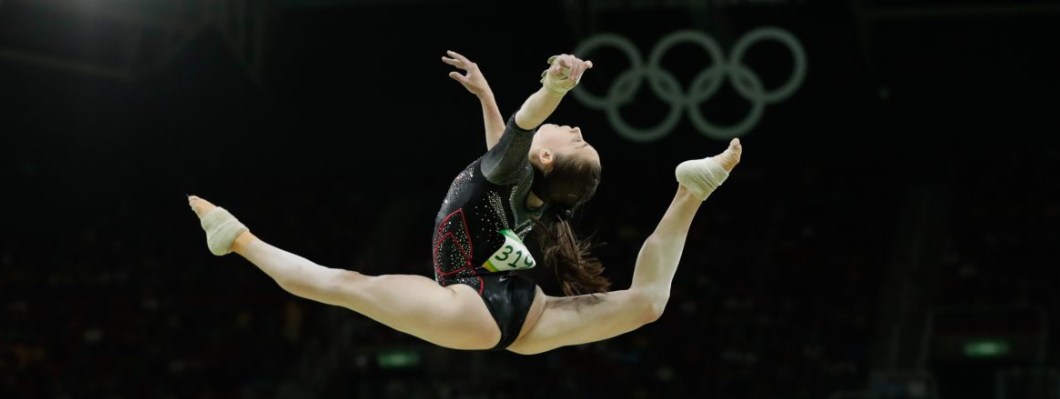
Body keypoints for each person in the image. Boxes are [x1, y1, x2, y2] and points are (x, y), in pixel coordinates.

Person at [188, 50, 741, 354]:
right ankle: (691, 191)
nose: (572, 127)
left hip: (471, 307)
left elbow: (520, 131)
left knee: (345, 286)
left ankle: (239, 239)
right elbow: (505, 147)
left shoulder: (516, 168)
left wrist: (554, 88)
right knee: (648, 303)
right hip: (530, 315)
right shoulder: (526, 193)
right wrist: (488, 96)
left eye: (573, 137)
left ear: (544, 160)